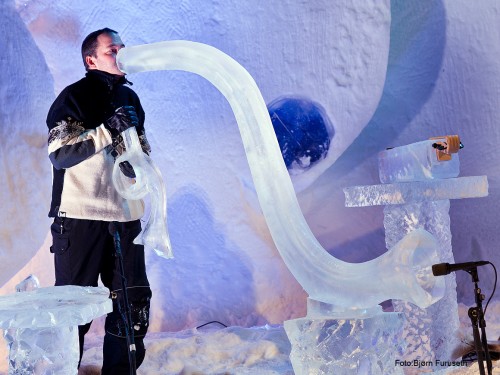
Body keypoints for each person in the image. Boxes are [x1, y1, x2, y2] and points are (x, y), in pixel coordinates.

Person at [46, 27, 152, 374]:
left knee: (131, 305)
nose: (121, 52)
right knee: (72, 309)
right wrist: (108, 129)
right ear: (91, 60)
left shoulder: (130, 99)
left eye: (123, 46)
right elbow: (61, 153)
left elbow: (139, 161)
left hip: (125, 217)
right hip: (80, 216)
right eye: (112, 49)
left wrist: (135, 150)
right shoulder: (72, 97)